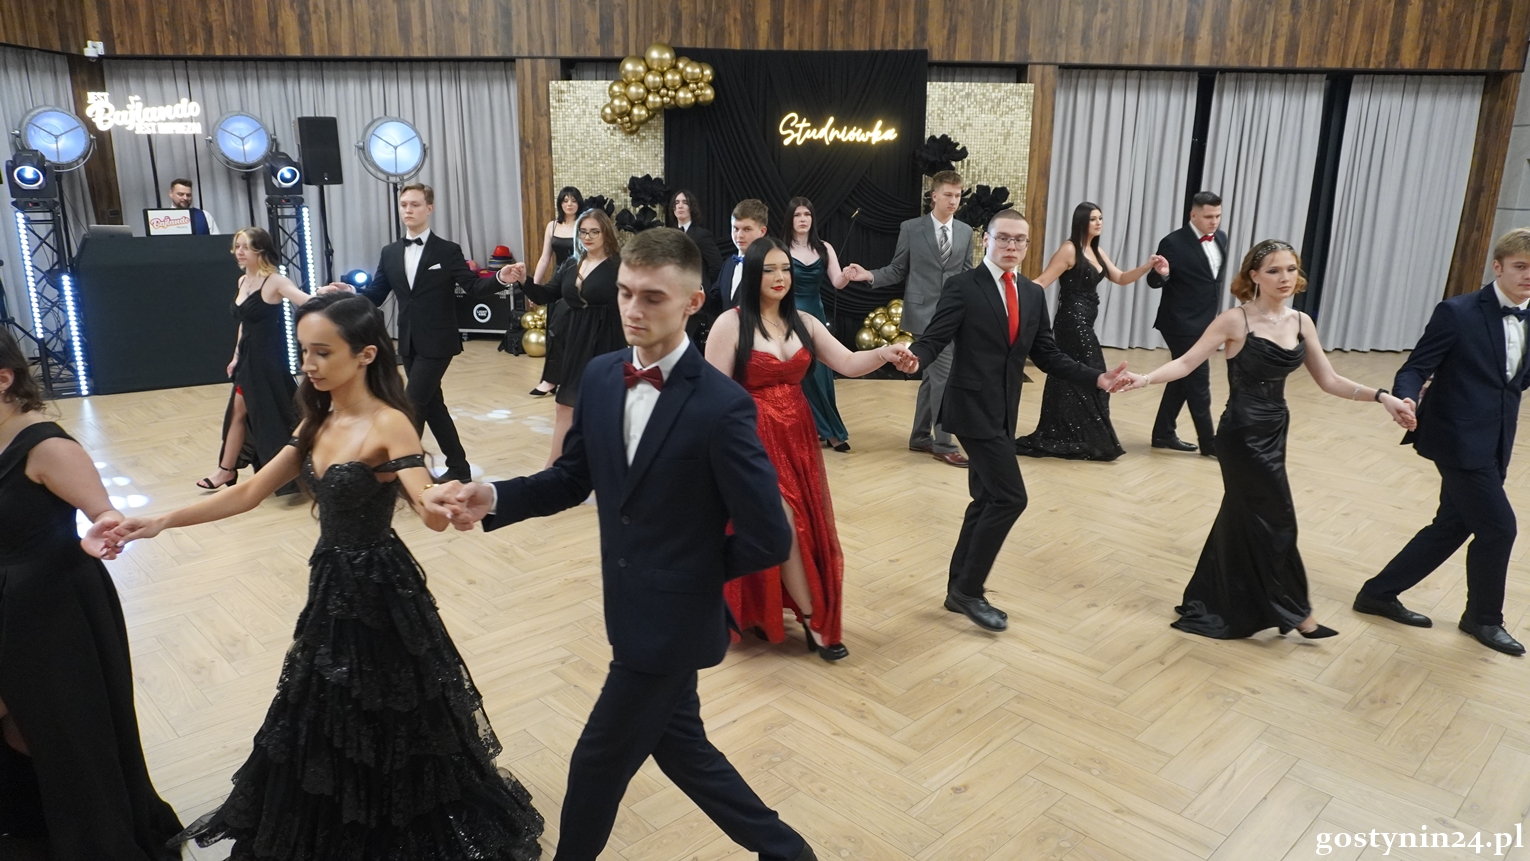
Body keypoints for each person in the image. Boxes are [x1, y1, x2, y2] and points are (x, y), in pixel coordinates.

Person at [428, 228, 818, 861]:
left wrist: (691, 578)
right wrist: (493, 496)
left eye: (653, 297)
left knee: (597, 761)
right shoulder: (602, 375)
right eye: (626, 293)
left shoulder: (721, 406)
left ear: (693, 303)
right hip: (627, 606)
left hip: (671, 624)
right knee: (683, 749)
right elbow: (571, 478)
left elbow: (769, 534)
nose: (634, 310)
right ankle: (789, 852)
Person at [111, 295, 545, 858]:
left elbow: (427, 510)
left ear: (365, 354)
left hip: (381, 592)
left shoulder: (390, 423)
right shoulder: (316, 422)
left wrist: (444, 500)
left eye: (322, 352)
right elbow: (249, 490)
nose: (309, 365)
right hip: (330, 586)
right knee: (324, 704)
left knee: (392, 710)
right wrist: (160, 521)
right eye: (304, 352)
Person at [1116, 240, 1415, 640]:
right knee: (1278, 520)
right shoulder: (1234, 320)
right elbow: (1187, 362)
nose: (1285, 278)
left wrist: (1383, 397)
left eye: (1291, 269)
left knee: (1241, 517)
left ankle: (1211, 598)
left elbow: (1330, 380)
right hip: (1241, 434)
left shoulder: (1301, 322)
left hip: (1276, 428)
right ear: (1254, 276)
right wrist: (1144, 378)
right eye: (1274, 270)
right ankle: (1298, 613)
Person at [0, 328, 185, 861]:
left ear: (4, 379)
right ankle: (33, 824)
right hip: (12, 603)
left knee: (58, 731)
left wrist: (104, 529)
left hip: (51, 608)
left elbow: (103, 513)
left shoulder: (48, 446)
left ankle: (92, 838)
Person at [905, 210, 1126, 632]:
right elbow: (935, 338)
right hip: (971, 410)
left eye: (1018, 240)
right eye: (1003, 238)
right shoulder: (963, 286)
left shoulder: (1031, 293)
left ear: (1027, 245)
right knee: (1010, 498)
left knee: (986, 499)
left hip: (1005, 410)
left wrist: (1096, 377)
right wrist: (915, 357)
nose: (1011, 246)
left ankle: (957, 589)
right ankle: (969, 591)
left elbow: (1047, 354)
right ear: (985, 240)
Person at [705, 237, 914, 660]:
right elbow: (712, 397)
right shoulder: (730, 324)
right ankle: (813, 616)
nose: (780, 277)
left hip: (797, 438)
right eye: (769, 269)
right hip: (750, 440)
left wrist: (884, 353)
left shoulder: (805, 321)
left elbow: (848, 363)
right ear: (753, 274)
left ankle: (786, 609)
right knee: (782, 522)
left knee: (802, 524)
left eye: (785, 269)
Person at [1354, 228, 1530, 656]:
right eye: (1521, 266)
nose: (1529, 276)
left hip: (1497, 438)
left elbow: (1514, 380)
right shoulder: (1458, 312)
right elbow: (1416, 367)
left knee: (1454, 523)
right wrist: (1406, 397)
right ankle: (1484, 618)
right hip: (1455, 436)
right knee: (1499, 527)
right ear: (1498, 266)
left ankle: (1378, 593)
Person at [326, 182, 501, 483]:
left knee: (411, 404)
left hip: (439, 341)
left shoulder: (447, 250)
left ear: (429, 208)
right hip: (407, 341)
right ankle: (459, 468)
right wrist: (350, 291)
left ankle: (398, 473)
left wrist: (500, 278)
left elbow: (473, 287)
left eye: (415, 204)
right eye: (404, 204)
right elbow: (376, 295)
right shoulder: (390, 252)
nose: (408, 210)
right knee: (432, 405)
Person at [1014, 202, 1167, 461]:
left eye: (1100, 218)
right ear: (1081, 222)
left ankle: (1071, 433)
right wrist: (1012, 295)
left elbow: (1120, 278)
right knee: (1095, 373)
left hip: (1085, 322)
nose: (1098, 223)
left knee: (1071, 376)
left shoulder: (1096, 251)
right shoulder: (1069, 249)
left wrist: (1147, 266)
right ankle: (1089, 437)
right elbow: (1042, 282)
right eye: (1093, 219)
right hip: (1072, 323)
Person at [844, 170, 974, 467]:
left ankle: (920, 436)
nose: (954, 201)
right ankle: (944, 443)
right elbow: (897, 269)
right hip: (923, 315)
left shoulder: (966, 231)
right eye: (948, 195)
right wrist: (869, 275)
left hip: (954, 314)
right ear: (934, 196)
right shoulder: (912, 228)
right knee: (944, 378)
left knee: (932, 377)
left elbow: (966, 274)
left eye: (958, 195)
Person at [497, 208, 624, 469]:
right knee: (565, 405)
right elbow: (545, 295)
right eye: (583, 232)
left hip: (606, 340)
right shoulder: (571, 264)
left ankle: (605, 466)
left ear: (606, 233)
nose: (587, 237)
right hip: (575, 338)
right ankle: (554, 465)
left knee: (602, 408)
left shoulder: (619, 266)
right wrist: (524, 280)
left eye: (594, 232)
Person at [198, 227, 308, 494]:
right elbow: (244, 324)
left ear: (260, 250)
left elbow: (306, 302)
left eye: (245, 247)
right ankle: (227, 469)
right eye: (237, 246)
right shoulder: (242, 281)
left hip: (267, 359)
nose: (239, 252)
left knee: (259, 412)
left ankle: (228, 469)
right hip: (248, 357)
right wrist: (236, 356)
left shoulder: (275, 281)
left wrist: (330, 295)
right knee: (242, 412)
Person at [1146, 191, 1227, 455]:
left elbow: (1212, 282)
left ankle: (1163, 433)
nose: (1214, 221)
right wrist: (1163, 274)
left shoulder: (1221, 238)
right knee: (1199, 382)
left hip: (1206, 322)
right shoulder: (1172, 243)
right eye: (1208, 216)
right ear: (1193, 215)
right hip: (1180, 322)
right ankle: (1210, 443)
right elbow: (1153, 281)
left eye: (1218, 216)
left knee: (1182, 377)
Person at [785, 197, 853, 451]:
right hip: (790, 314)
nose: (803, 219)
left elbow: (837, 282)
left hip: (816, 313)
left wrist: (846, 276)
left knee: (821, 373)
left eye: (807, 214)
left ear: (813, 219)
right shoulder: (781, 248)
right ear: (790, 219)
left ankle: (828, 428)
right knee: (801, 372)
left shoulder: (824, 248)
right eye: (797, 215)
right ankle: (825, 430)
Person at [528, 186, 583, 398]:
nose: (569, 204)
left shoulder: (584, 224)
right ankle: (550, 380)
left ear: (579, 203)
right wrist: (534, 286)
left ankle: (569, 380)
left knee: (570, 332)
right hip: (556, 282)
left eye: (573, 200)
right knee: (554, 332)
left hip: (577, 282)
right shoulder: (552, 226)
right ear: (560, 203)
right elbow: (545, 258)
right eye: (565, 200)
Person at [695, 199, 770, 341]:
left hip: (758, 341)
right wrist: (698, 290)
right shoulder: (728, 264)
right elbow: (716, 305)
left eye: (747, 229)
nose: (739, 235)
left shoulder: (769, 266)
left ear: (762, 231)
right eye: (735, 228)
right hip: (728, 340)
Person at [668, 188, 723, 286]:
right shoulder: (670, 235)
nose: (680, 206)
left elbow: (716, 266)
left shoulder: (702, 235)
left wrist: (708, 288)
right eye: (677, 202)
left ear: (691, 207)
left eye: (685, 202)